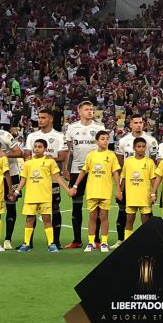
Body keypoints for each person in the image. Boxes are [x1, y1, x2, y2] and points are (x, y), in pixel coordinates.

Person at [64, 101, 110, 248]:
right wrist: (66, 168)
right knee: (76, 204)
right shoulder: (71, 128)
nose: (90, 112)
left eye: (92, 109)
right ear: (79, 111)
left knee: (95, 207)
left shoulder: (99, 127)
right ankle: (77, 240)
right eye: (87, 109)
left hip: (95, 171)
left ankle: (96, 239)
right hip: (77, 170)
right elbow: (69, 150)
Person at [17, 136, 64, 252]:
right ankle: (26, 243)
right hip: (31, 196)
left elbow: (57, 177)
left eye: (40, 147)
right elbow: (23, 179)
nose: (37, 149)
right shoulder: (28, 163)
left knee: (47, 218)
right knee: (29, 219)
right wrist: (16, 191)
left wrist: (68, 189)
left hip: (45, 196)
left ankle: (51, 244)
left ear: (45, 149)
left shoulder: (49, 162)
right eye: (35, 147)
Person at [81, 134, 122, 252]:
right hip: (92, 190)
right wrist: (75, 185)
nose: (105, 141)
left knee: (104, 216)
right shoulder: (91, 155)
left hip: (105, 190)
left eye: (107, 139)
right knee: (92, 216)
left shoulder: (111, 155)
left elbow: (115, 173)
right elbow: (84, 171)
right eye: (102, 139)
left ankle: (104, 242)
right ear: (97, 141)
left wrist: (118, 190)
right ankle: (91, 242)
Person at [121, 132, 158, 235]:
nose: (141, 149)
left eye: (143, 147)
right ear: (134, 148)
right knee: (129, 219)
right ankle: (127, 241)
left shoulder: (149, 162)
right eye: (138, 146)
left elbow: (153, 180)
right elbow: (123, 178)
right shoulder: (128, 162)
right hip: (131, 196)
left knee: (145, 219)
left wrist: (154, 193)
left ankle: (145, 240)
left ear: (146, 148)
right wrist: (120, 192)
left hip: (144, 196)